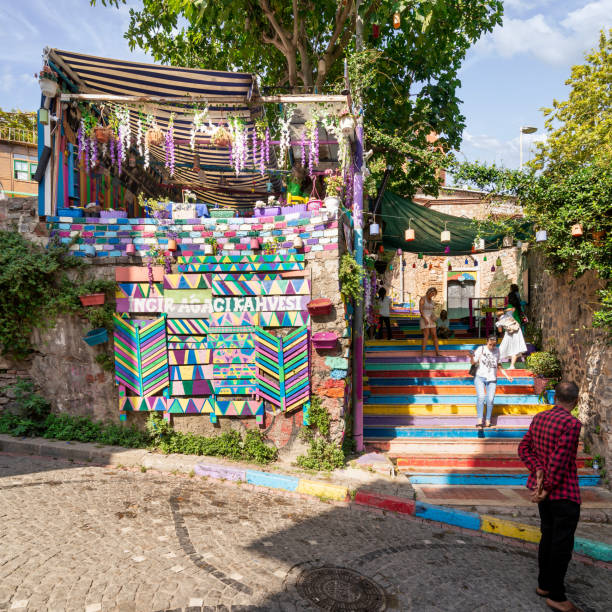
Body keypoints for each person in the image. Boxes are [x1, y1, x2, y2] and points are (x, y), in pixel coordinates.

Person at [518, 382, 582, 612]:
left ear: (555, 397)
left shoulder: (539, 418)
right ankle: (556, 594)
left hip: (543, 491)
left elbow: (524, 448)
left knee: (548, 535)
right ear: (576, 401)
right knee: (561, 544)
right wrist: (548, 486)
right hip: (563, 493)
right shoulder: (572, 424)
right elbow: (560, 459)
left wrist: (538, 471)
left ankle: (544, 585)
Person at [469, 335, 512, 428]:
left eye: (494, 345)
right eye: (490, 344)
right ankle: (480, 421)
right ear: (486, 342)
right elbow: (473, 362)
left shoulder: (497, 350)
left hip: (492, 378)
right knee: (481, 397)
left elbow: (499, 365)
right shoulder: (481, 349)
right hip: (480, 377)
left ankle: (488, 421)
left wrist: (507, 376)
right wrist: (471, 356)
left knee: (490, 399)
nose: (492, 347)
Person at [419, 287, 441, 356]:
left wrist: (434, 317)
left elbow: (431, 311)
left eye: (434, 294)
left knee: (434, 335)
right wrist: (425, 319)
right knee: (426, 335)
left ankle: (437, 352)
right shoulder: (423, 299)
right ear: (428, 292)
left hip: (431, 319)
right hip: (424, 318)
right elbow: (421, 310)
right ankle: (423, 352)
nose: (432, 295)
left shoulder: (432, 301)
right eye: (432, 293)